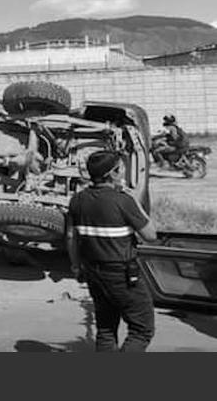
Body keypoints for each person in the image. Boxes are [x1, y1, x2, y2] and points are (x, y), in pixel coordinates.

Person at [66, 150, 158, 352]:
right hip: (122, 275)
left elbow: (71, 237)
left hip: (93, 272)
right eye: (120, 168)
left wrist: (76, 267)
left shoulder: (77, 200)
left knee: (106, 329)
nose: (123, 171)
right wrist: (134, 200)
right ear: (113, 173)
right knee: (142, 330)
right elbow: (151, 235)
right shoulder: (123, 200)